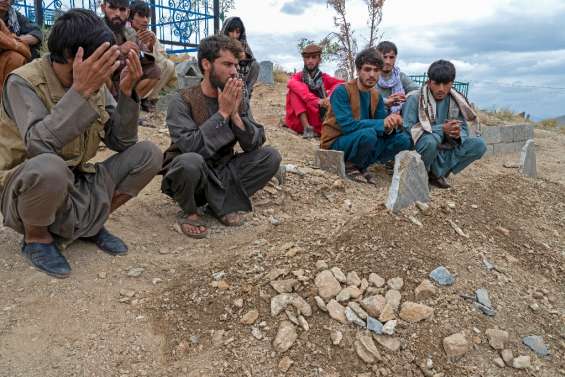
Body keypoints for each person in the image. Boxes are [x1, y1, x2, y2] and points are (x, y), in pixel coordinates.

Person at [0, 9, 163, 278]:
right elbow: (39, 146)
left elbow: (122, 141)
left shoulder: (96, 82)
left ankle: (90, 224)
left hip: (74, 179)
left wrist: (126, 94)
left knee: (148, 155)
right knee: (49, 167)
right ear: (69, 54)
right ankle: (37, 237)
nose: (107, 66)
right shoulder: (23, 81)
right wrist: (80, 92)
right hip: (27, 186)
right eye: (100, 57)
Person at [161, 35, 281, 239]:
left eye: (236, 65)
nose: (234, 71)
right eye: (227, 64)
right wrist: (222, 114)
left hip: (223, 172)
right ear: (206, 64)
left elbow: (255, 143)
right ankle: (191, 211)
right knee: (190, 162)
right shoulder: (181, 100)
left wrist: (235, 116)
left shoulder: (235, 95)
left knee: (271, 157)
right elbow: (191, 147)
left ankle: (217, 204)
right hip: (193, 178)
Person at [320, 48, 411, 184]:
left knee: (403, 140)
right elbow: (348, 126)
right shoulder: (342, 91)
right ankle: (351, 165)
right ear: (358, 70)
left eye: (376, 70)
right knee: (368, 134)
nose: (372, 74)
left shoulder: (376, 96)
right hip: (337, 141)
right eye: (367, 69)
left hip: (364, 139)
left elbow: (381, 125)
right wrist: (381, 124)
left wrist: (390, 125)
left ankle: (361, 165)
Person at [403, 60, 486, 189]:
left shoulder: (456, 100)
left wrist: (457, 134)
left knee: (479, 145)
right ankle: (420, 174)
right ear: (430, 81)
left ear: (451, 83)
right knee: (431, 141)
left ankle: (436, 173)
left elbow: (464, 128)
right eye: (437, 83)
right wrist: (441, 129)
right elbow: (408, 129)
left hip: (446, 148)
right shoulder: (415, 98)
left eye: (446, 84)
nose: (441, 89)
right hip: (424, 148)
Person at [101, 0, 160, 99]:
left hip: (125, 73)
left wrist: (146, 48)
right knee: (102, 69)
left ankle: (129, 102)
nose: (117, 13)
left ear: (128, 12)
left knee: (155, 70)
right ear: (103, 8)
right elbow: (93, 56)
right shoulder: (97, 28)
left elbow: (146, 57)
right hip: (108, 75)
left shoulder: (130, 31)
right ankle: (110, 105)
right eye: (112, 8)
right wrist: (119, 50)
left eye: (122, 9)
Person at [285, 43, 343, 138]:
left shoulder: (324, 78)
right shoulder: (298, 76)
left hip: (317, 119)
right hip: (299, 122)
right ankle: (307, 128)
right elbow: (291, 83)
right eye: (307, 58)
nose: (310, 61)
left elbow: (341, 84)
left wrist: (329, 97)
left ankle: (322, 129)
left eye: (313, 57)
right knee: (294, 91)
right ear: (304, 60)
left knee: (337, 91)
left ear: (319, 60)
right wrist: (316, 101)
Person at [128, 0, 176, 112]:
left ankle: (148, 99)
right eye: (140, 15)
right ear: (131, 17)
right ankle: (132, 102)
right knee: (156, 67)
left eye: (147, 16)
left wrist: (151, 46)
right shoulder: (125, 31)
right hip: (129, 74)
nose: (145, 20)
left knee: (168, 65)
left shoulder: (150, 34)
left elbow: (162, 55)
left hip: (146, 72)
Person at [0, 0, 42, 92]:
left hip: (12, 66)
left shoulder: (15, 16)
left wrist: (19, 40)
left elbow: (37, 33)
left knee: (18, 58)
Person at [220, 17, 259, 100]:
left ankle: (244, 99)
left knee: (255, 65)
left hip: (242, 86)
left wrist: (244, 58)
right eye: (231, 31)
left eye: (237, 32)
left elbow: (252, 63)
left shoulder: (243, 46)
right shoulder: (217, 45)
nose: (234, 35)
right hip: (222, 86)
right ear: (226, 31)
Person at [375, 41, 419, 115]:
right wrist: (386, 101)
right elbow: (366, 97)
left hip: (399, 117)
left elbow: (418, 90)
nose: (388, 61)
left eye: (391, 57)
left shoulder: (400, 76)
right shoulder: (372, 77)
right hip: (378, 119)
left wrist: (403, 97)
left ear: (395, 58)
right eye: (384, 57)